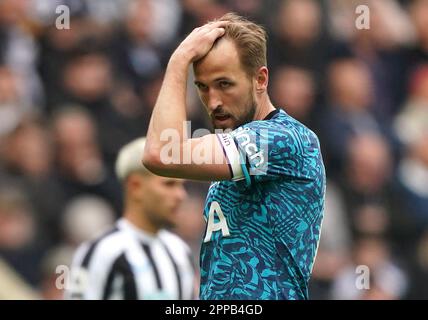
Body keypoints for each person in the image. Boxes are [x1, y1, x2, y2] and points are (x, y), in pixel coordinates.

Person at [143, 13, 326, 299]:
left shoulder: (285, 139)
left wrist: (179, 60)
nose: (213, 102)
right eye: (202, 87)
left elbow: (162, 154)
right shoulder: (232, 153)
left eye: (224, 84)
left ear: (260, 79)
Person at [65, 137, 196, 300]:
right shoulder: (100, 252)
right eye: (169, 184)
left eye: (181, 185)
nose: (180, 195)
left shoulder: (179, 251)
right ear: (136, 186)